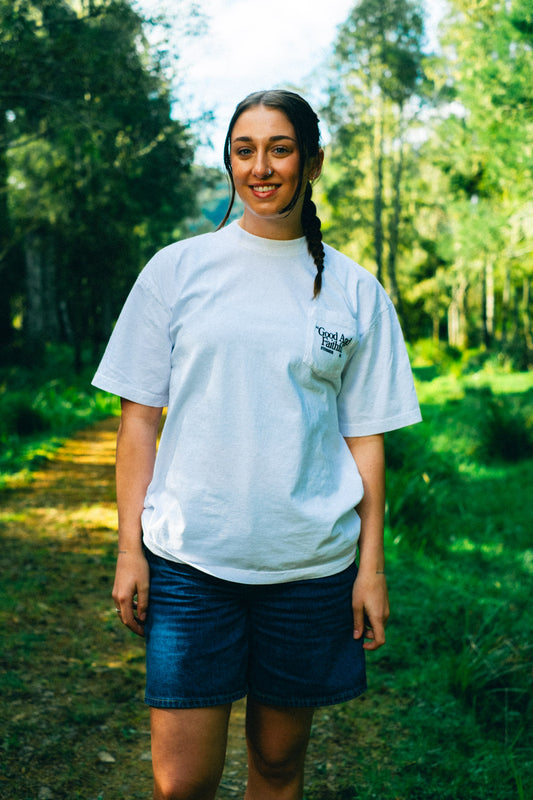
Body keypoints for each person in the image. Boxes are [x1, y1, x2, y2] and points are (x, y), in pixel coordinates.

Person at [92, 89, 422, 800]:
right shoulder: (176, 271)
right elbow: (139, 420)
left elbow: (364, 441)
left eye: (279, 149)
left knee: (276, 769)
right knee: (182, 783)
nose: (261, 167)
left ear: (312, 162)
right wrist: (129, 550)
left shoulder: (354, 291)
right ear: (229, 162)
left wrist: (371, 571)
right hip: (188, 563)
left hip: (307, 571)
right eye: (245, 150)